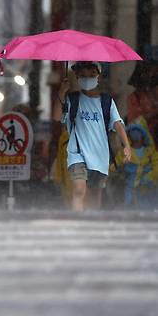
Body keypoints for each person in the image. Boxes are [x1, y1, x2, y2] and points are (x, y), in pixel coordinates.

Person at [58, 61, 131, 211]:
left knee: (95, 194)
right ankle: (77, 222)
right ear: (77, 76)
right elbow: (59, 115)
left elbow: (117, 123)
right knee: (79, 189)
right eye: (83, 75)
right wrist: (61, 93)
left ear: (98, 76)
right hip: (77, 154)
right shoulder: (72, 99)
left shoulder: (106, 101)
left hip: (99, 155)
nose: (87, 78)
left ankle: (92, 224)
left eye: (91, 75)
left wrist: (127, 145)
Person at [113, 122, 158, 209]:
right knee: (129, 208)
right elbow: (115, 165)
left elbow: (156, 166)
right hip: (130, 186)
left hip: (148, 187)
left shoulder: (150, 151)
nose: (135, 134)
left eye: (138, 131)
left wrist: (149, 177)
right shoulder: (124, 152)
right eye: (133, 131)